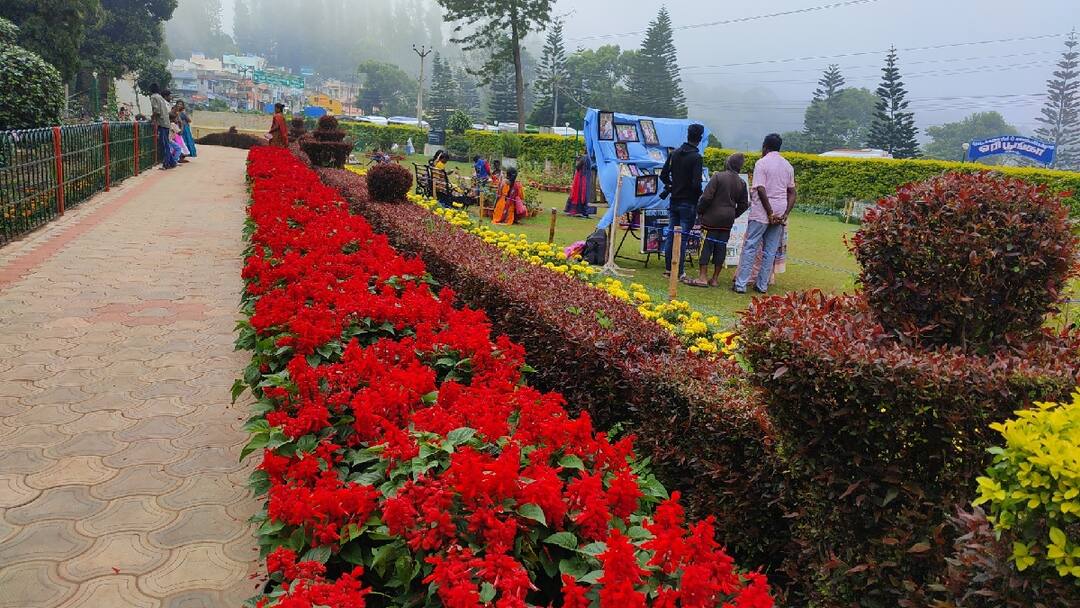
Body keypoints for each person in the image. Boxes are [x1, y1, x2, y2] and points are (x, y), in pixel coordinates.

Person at [733, 133, 796, 294]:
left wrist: (769, 213)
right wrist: (785, 213)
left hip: (762, 212)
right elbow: (792, 192)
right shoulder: (788, 166)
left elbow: (760, 188)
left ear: (765, 146)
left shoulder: (762, 163)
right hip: (781, 212)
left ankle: (741, 284)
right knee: (770, 250)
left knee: (751, 246)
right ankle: (762, 285)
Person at [687, 153, 750, 287]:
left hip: (711, 219)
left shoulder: (718, 177)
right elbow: (744, 204)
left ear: (728, 163)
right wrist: (734, 214)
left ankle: (703, 277)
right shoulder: (742, 183)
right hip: (727, 221)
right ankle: (715, 279)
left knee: (706, 246)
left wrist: (700, 211)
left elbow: (706, 197)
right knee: (721, 247)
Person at [660, 123, 705, 280]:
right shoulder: (696, 157)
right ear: (699, 138)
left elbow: (663, 175)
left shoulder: (675, 153)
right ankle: (679, 272)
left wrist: (671, 186)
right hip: (689, 202)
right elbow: (696, 183)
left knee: (672, 235)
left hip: (674, 200)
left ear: (687, 135)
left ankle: (668, 269)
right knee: (683, 237)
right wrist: (699, 196)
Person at [149, 85, 175, 169]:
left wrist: (152, 118)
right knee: (166, 144)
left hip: (162, 123)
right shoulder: (160, 97)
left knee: (164, 145)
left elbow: (156, 110)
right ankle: (172, 162)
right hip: (166, 122)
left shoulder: (153, 97)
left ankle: (166, 164)